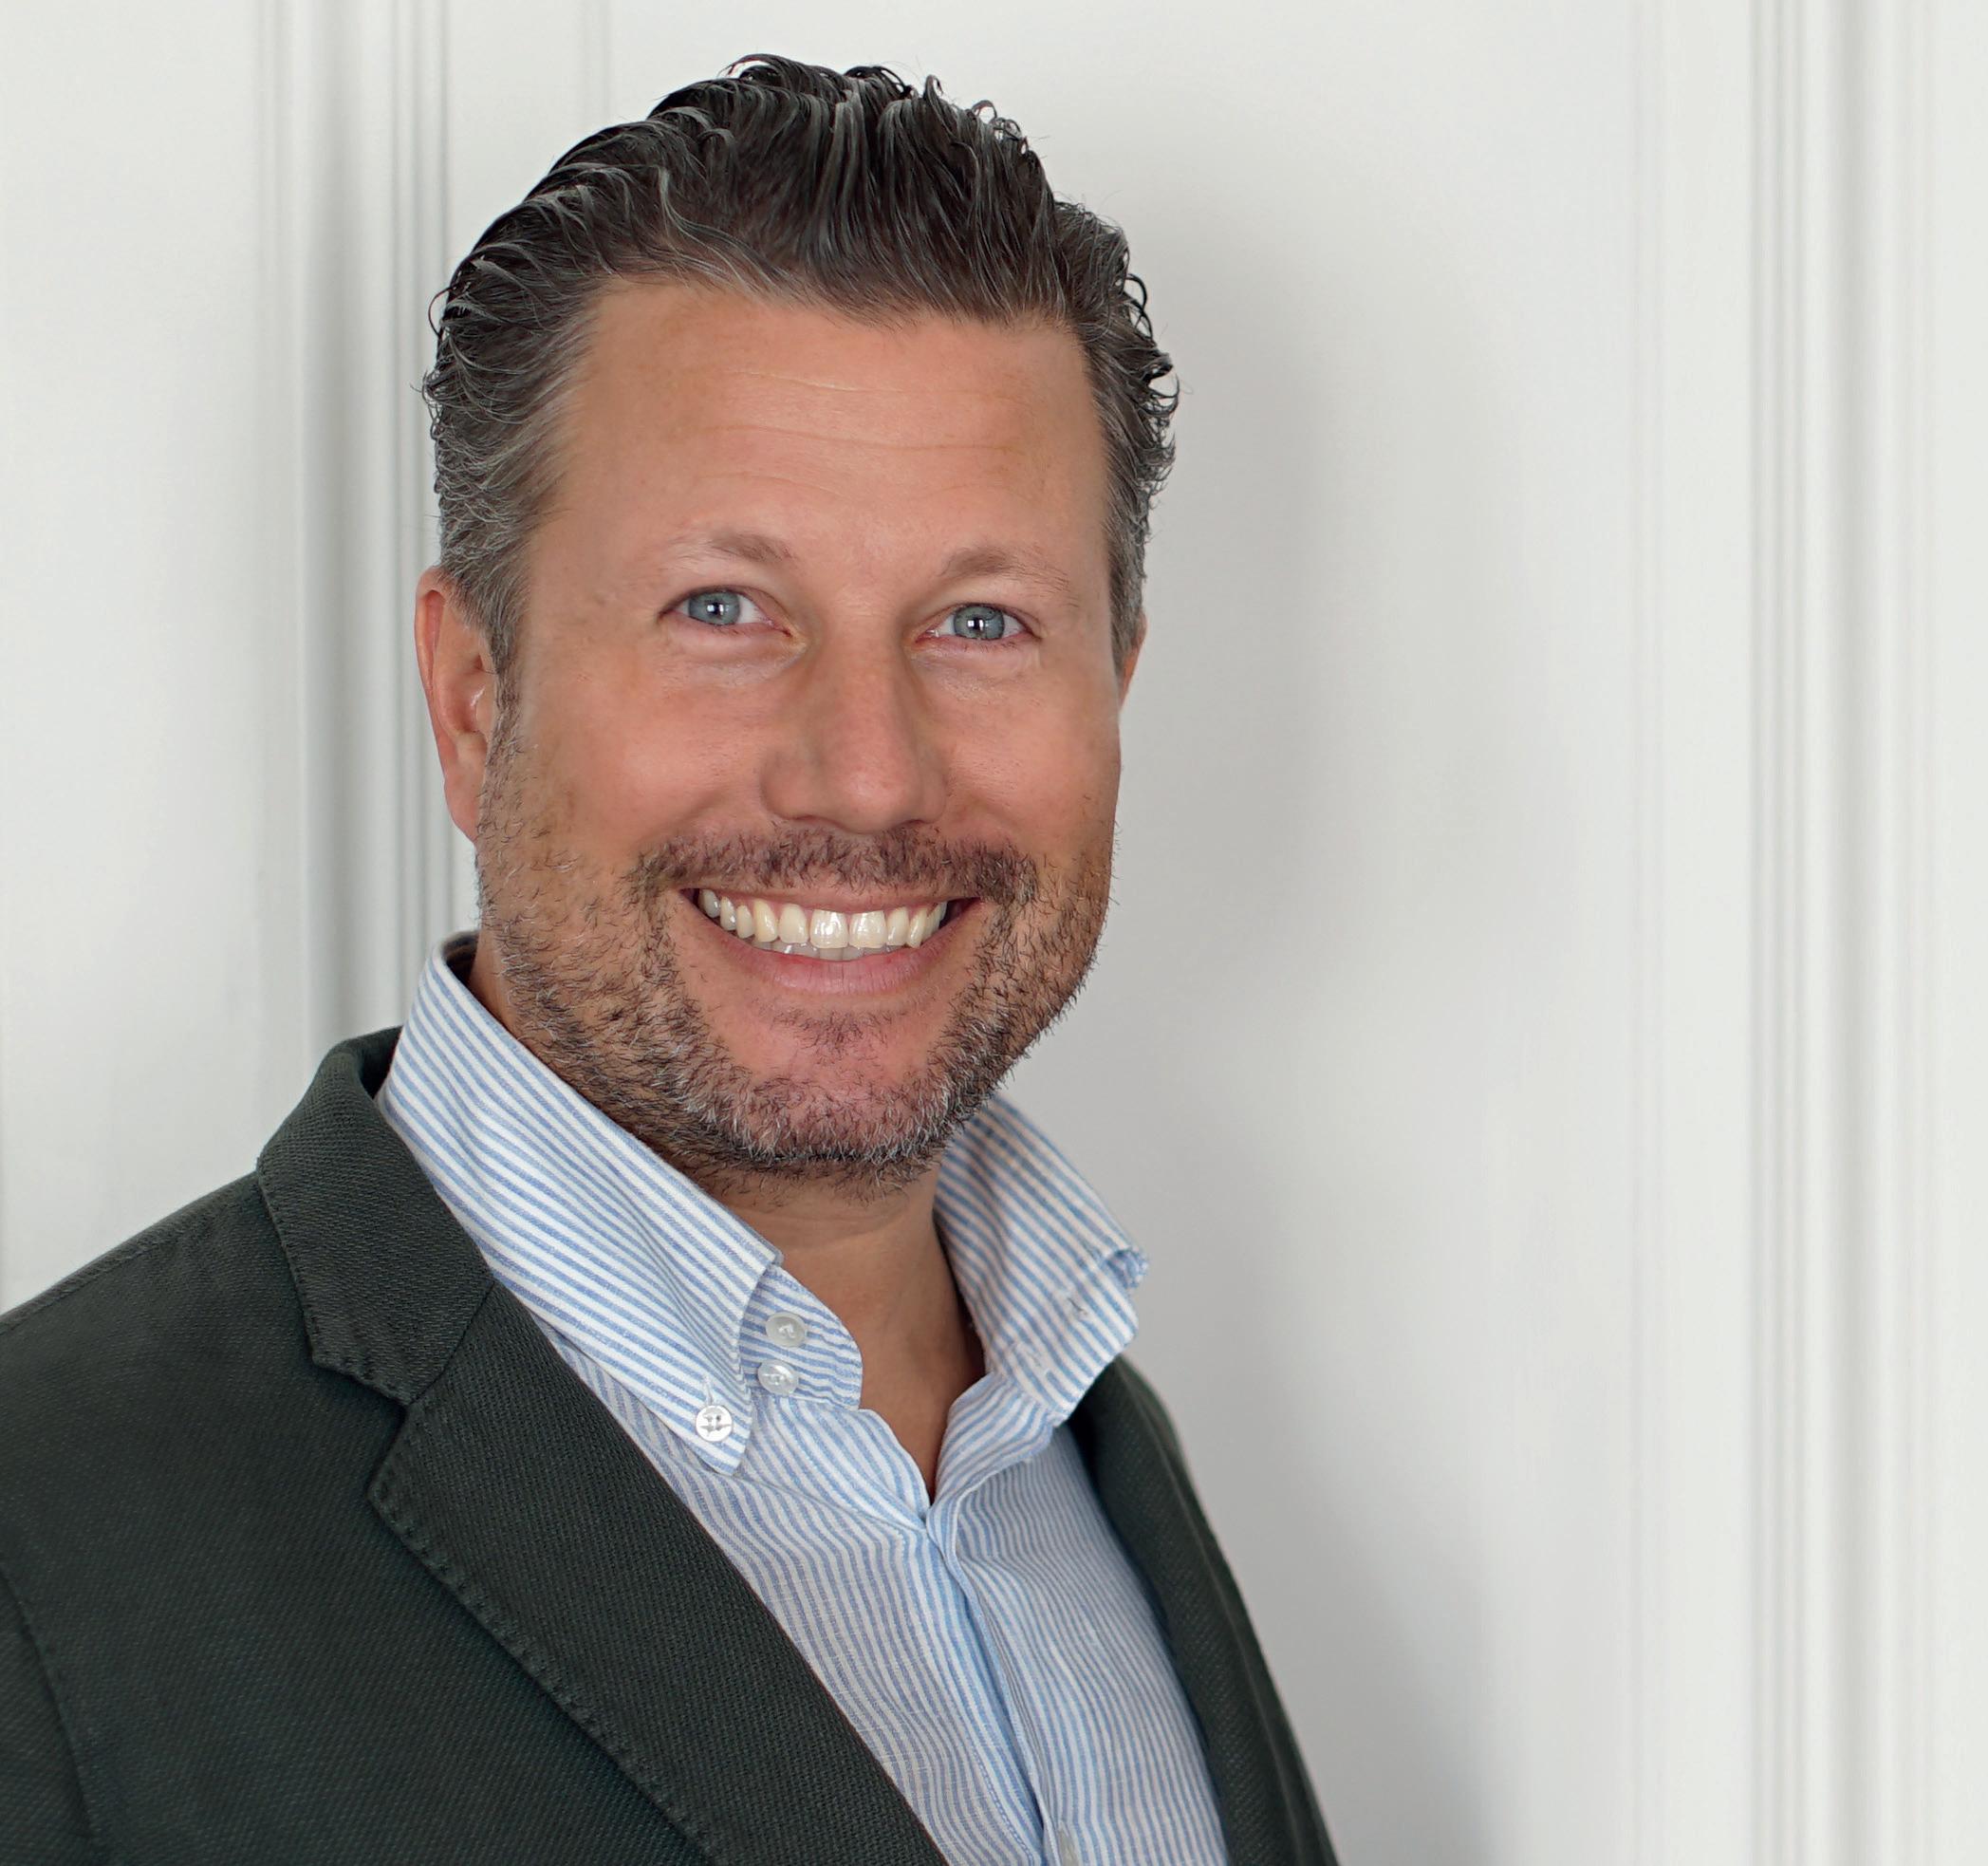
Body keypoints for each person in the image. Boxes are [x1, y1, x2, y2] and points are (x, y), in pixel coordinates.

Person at [0, 55, 1333, 1866]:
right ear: (475, 699)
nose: (867, 772)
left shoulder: (1094, 1459)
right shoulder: (49, 1550)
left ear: (1118, 686)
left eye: (981, 619)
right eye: (724, 608)